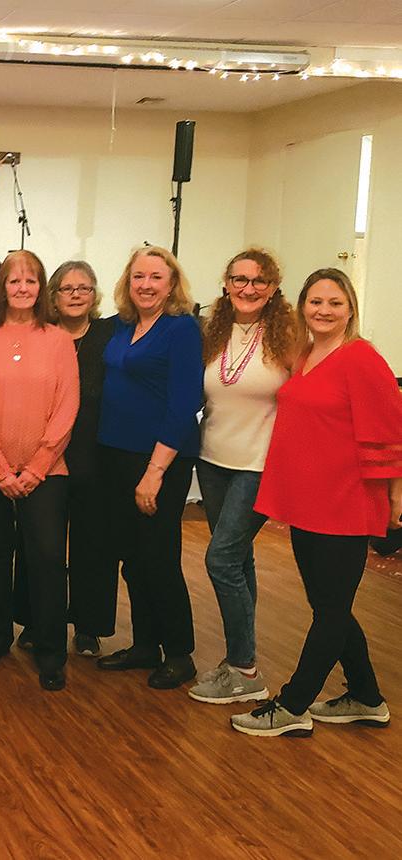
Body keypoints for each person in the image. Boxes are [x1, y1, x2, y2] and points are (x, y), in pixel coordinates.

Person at [232, 269, 402, 737]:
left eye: (335, 303)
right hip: (307, 500)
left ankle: (292, 705)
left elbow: (389, 430)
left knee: (329, 610)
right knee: (330, 604)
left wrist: (395, 496)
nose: (324, 310)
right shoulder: (305, 354)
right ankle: (366, 697)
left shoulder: (362, 359)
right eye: (316, 302)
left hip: (346, 500)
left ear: (350, 309)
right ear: (303, 306)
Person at [0, 251, 79, 690]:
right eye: (14, 280)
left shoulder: (59, 340)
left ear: (41, 289)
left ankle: (50, 652)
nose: (23, 288)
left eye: (31, 280)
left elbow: (67, 407)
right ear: (2, 289)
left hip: (46, 472)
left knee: (47, 559)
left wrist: (37, 467)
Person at [188, 250, 294, 705]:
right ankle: (241, 660)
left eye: (258, 280)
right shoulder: (211, 331)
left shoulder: (289, 336)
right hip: (212, 460)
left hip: (259, 464)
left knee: (221, 560)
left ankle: (245, 668)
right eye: (239, 279)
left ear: (273, 288)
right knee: (239, 559)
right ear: (227, 283)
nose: (248, 288)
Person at [95, 245, 202, 690]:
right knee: (133, 558)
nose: (146, 284)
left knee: (158, 557)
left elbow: (184, 404)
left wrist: (154, 472)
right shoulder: (123, 326)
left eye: (156, 277)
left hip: (158, 459)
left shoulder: (182, 329)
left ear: (172, 284)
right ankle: (144, 645)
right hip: (116, 454)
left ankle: (178, 653)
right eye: (138, 276)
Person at [47, 260, 117, 658]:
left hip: (97, 453)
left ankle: (89, 626)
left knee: (94, 545)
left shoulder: (110, 335)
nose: (75, 295)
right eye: (67, 288)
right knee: (45, 544)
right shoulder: (42, 336)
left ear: (94, 295)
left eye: (84, 288)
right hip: (47, 455)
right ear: (54, 297)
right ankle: (41, 620)